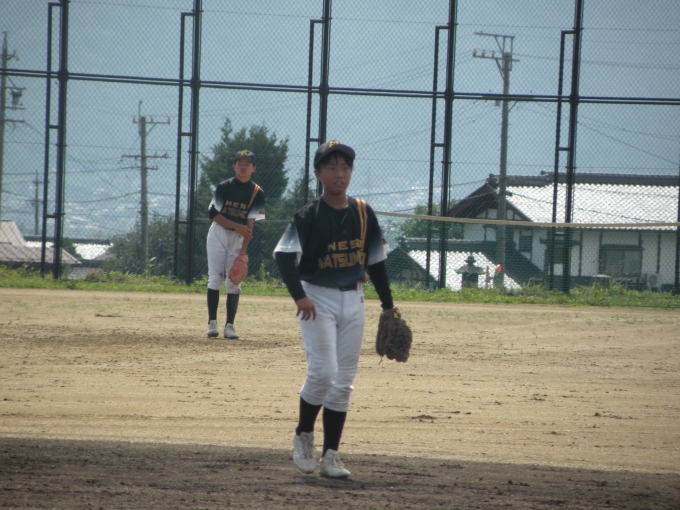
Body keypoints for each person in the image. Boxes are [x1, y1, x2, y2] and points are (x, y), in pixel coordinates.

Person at [274, 140, 396, 478]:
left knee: (343, 383)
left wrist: (389, 306)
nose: (339, 173)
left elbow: (376, 262)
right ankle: (303, 434)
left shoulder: (363, 212)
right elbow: (282, 256)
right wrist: (299, 296)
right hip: (318, 299)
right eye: (331, 167)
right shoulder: (309, 215)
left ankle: (331, 456)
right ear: (318, 173)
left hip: (354, 299)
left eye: (344, 167)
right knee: (323, 372)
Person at [206, 150, 265, 339]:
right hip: (218, 233)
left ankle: (229, 326)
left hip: (237, 238)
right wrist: (237, 226)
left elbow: (250, 223)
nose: (243, 166)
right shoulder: (224, 187)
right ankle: (212, 323)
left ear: (254, 168)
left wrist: (243, 252)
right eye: (240, 163)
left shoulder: (257, 192)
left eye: (247, 163)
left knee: (234, 283)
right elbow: (213, 214)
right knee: (215, 278)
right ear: (234, 167)